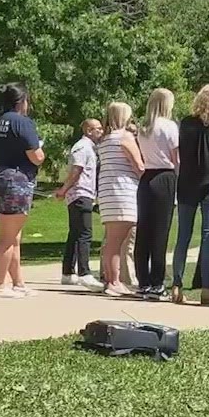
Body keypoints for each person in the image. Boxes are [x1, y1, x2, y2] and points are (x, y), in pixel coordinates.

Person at [170, 84, 209, 305]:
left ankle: (176, 284)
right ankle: (206, 288)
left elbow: (183, 153)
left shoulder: (186, 124)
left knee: (183, 236)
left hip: (187, 182)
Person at [0, 83, 44, 298]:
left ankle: (18, 283)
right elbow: (36, 156)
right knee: (7, 238)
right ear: (22, 101)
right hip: (14, 180)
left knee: (14, 235)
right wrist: (41, 154)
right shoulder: (22, 122)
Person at [130, 89, 181, 299]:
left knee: (144, 231)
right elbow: (176, 158)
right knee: (160, 232)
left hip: (146, 177)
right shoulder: (169, 126)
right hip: (165, 176)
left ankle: (143, 281)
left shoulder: (143, 128)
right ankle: (158, 282)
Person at [95, 101, 144, 297]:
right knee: (117, 241)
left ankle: (110, 279)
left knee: (111, 240)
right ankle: (114, 281)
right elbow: (139, 166)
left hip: (107, 191)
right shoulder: (125, 137)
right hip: (123, 191)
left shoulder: (105, 140)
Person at [53, 118, 104, 289]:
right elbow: (77, 170)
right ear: (88, 130)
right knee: (85, 233)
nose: (101, 131)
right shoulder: (83, 147)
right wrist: (63, 189)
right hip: (81, 194)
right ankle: (84, 272)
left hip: (81, 194)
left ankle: (68, 272)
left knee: (74, 233)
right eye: (98, 129)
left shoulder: (89, 147)